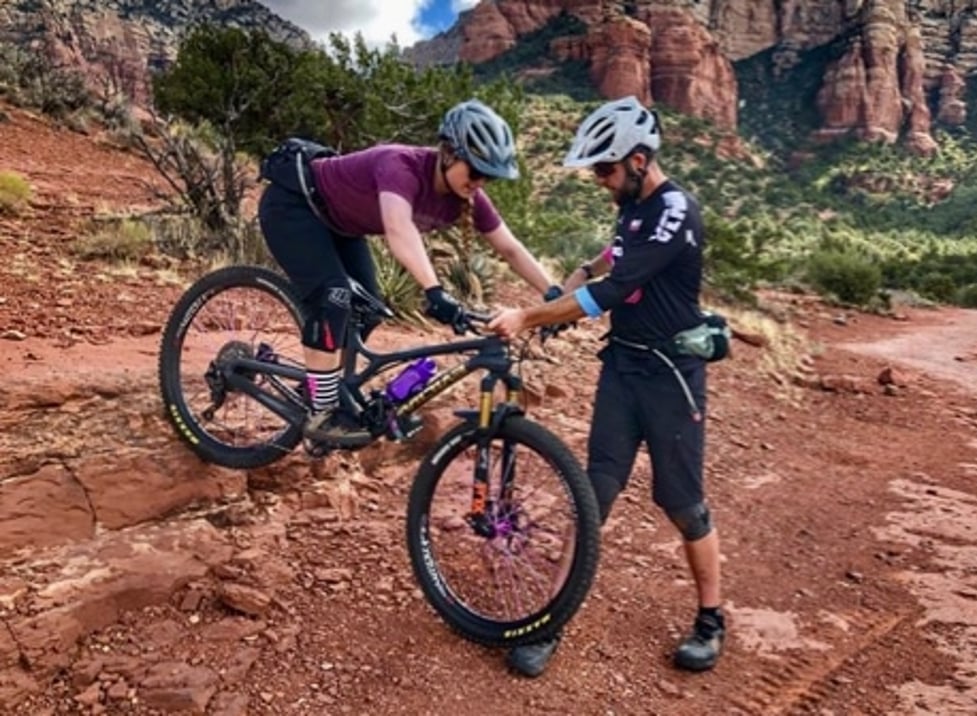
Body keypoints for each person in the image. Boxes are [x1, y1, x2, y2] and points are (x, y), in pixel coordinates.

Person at [487, 96, 726, 677]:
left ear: (640, 160)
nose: (599, 180)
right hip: (624, 369)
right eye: (596, 170)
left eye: (605, 169)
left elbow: (611, 294)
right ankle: (552, 622)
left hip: (671, 378)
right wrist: (570, 281)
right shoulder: (635, 206)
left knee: (683, 504)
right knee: (593, 495)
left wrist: (530, 317)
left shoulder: (675, 210)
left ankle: (711, 620)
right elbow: (611, 258)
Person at [257, 99, 560, 447]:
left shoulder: (469, 198)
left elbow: (510, 248)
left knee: (368, 308)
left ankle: (315, 385)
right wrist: (434, 291)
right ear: (447, 153)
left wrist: (552, 295)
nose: (480, 183)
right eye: (475, 171)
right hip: (294, 206)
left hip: (339, 227)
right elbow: (399, 228)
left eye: (488, 177)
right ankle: (322, 413)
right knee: (334, 296)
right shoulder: (400, 164)